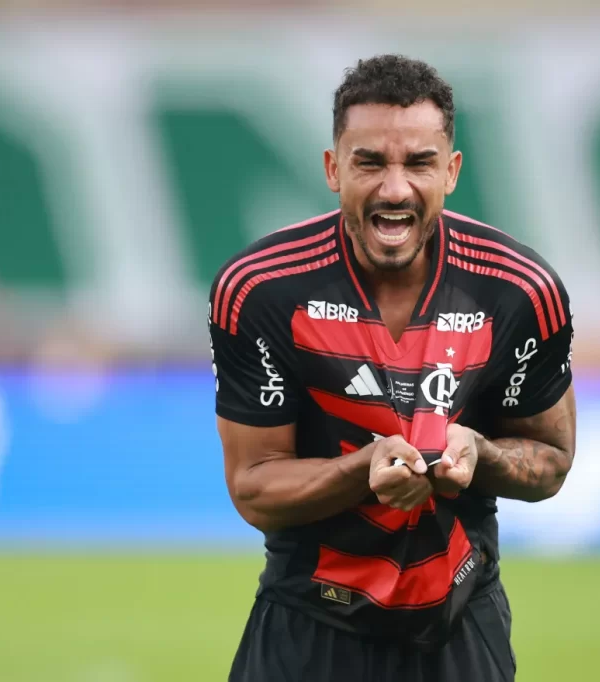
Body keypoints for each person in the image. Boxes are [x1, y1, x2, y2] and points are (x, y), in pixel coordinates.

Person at [208, 54, 576, 682]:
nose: (395, 189)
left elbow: (551, 461)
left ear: (451, 171)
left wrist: (479, 453)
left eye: (420, 163)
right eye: (370, 162)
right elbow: (253, 487)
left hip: (461, 626)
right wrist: (365, 469)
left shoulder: (520, 289)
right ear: (333, 168)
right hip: (307, 625)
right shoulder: (259, 289)